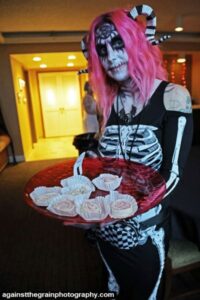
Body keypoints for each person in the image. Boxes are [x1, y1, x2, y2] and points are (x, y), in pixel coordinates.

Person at [79, 4, 193, 299]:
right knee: (111, 288)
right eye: (102, 50)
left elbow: (173, 175)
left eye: (119, 44)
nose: (111, 57)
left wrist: (127, 212)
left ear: (137, 45)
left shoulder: (173, 96)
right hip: (106, 228)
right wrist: (91, 171)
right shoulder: (110, 103)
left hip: (144, 232)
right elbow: (109, 166)